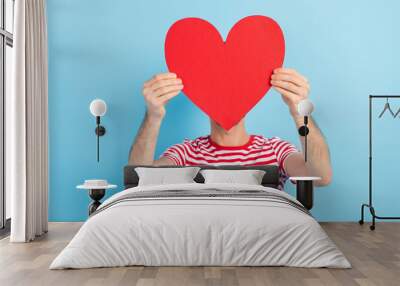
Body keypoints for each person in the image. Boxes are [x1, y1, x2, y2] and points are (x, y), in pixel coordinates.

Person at [129, 68, 332, 190]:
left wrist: (299, 112)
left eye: (235, 95)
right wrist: (153, 116)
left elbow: (321, 177)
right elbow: (139, 178)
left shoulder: (275, 149)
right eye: (218, 95)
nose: (227, 103)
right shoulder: (186, 152)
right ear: (204, 102)